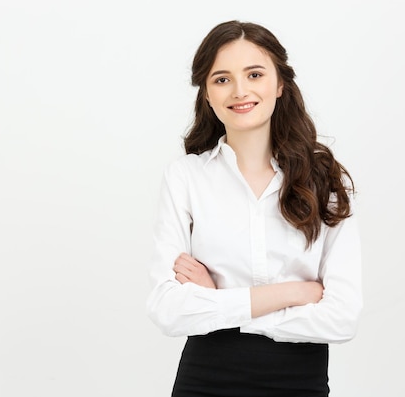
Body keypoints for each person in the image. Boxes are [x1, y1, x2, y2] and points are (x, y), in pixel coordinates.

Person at [146, 20, 362, 397]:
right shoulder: (186, 177)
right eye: (222, 79)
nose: (240, 91)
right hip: (205, 382)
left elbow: (341, 319)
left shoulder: (322, 178)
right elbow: (167, 309)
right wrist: (294, 293)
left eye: (255, 74)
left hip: (300, 385)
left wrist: (218, 303)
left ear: (280, 85)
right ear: (207, 94)